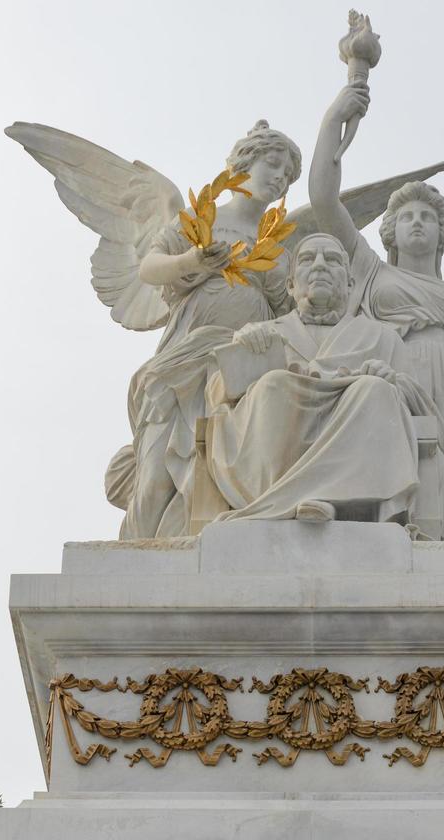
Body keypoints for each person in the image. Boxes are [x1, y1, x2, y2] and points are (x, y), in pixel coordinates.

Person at [307, 83, 444, 540]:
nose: (417, 222)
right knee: (406, 477)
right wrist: (333, 119)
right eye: (407, 217)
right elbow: (323, 198)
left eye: (427, 217)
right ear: (391, 233)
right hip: (396, 376)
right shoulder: (371, 272)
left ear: (443, 234)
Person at [121, 121, 302, 539]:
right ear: (243, 163)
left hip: (242, 368)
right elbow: (150, 268)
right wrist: (192, 263)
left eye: (288, 175)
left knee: (221, 477)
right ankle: (133, 560)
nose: (279, 178)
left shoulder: (276, 246)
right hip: (183, 359)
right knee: (155, 477)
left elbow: (291, 313)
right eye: (272, 164)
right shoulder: (200, 221)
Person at [204, 233, 443, 525]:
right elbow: (218, 394)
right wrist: (243, 347)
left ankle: (321, 498)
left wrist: (390, 379)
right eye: (307, 259)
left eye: (332, 260)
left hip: (356, 424)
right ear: (290, 285)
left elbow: (419, 401)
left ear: (350, 284)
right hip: (280, 435)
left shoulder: (382, 337)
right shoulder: (263, 333)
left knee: (375, 390)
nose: (320, 265)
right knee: (273, 385)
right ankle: (285, 499)